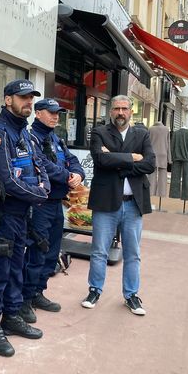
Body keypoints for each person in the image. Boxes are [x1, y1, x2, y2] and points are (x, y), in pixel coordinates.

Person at [0, 79, 50, 357]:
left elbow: (40, 167)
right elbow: (7, 181)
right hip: (4, 216)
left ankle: (11, 316)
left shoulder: (26, 134)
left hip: (23, 215)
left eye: (31, 98)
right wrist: (40, 194)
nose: (28, 102)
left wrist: (42, 188)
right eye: (23, 97)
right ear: (8, 99)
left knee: (17, 268)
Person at [80, 95, 155, 316]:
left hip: (133, 205)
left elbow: (150, 163)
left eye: (124, 108)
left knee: (133, 253)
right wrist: (133, 157)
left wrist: (117, 161)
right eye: (116, 109)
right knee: (99, 252)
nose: (120, 112)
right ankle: (94, 290)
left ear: (131, 111)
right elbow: (100, 160)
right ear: (110, 111)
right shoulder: (99, 132)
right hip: (106, 203)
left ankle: (131, 295)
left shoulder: (142, 134)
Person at [20, 98, 85, 324]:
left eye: (58, 113)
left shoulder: (56, 138)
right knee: (37, 251)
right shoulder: (29, 138)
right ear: (38, 113)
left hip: (57, 203)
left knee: (51, 251)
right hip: (40, 204)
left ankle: (38, 291)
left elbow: (72, 160)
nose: (56, 116)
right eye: (51, 112)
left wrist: (78, 174)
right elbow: (42, 165)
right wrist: (67, 175)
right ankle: (24, 300)